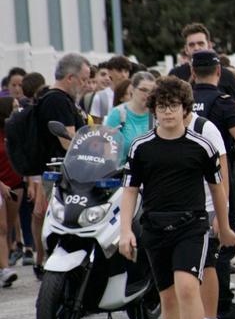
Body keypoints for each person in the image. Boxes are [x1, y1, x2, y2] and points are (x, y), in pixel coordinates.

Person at [119, 76, 235, 319]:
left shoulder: (202, 145)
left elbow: (218, 188)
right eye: (161, 107)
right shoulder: (140, 148)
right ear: (153, 110)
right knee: (167, 296)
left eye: (173, 106)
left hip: (192, 225)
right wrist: (124, 232)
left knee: (187, 287)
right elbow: (130, 191)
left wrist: (224, 227)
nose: (167, 112)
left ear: (185, 109)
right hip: (154, 227)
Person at [190, 51, 235, 319]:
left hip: (185, 178)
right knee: (222, 242)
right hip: (219, 174)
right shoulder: (223, 103)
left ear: (192, 73)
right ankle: (221, 305)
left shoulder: (182, 101)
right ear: (218, 71)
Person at [30, 54, 91, 275]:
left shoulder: (59, 99)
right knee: (51, 216)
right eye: (84, 79)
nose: (86, 85)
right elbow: (69, 143)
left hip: (58, 170)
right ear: (70, 78)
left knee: (44, 214)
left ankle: (44, 261)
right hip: (57, 171)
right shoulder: (57, 100)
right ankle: (47, 261)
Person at [169, 23, 235, 101]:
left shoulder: (227, 75)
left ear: (209, 45)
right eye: (191, 45)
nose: (196, 48)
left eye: (201, 44)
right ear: (186, 49)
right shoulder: (175, 76)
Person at [104, 71, 156, 161]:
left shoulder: (156, 115)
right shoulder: (118, 113)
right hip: (122, 172)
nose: (148, 94)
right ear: (132, 89)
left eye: (151, 91)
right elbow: (107, 151)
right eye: (143, 90)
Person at [0, 97, 21, 287]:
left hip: (15, 183)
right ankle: (4, 267)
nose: (17, 110)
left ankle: (3, 266)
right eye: (14, 107)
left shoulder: (15, 132)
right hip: (1, 184)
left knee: (8, 227)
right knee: (2, 226)